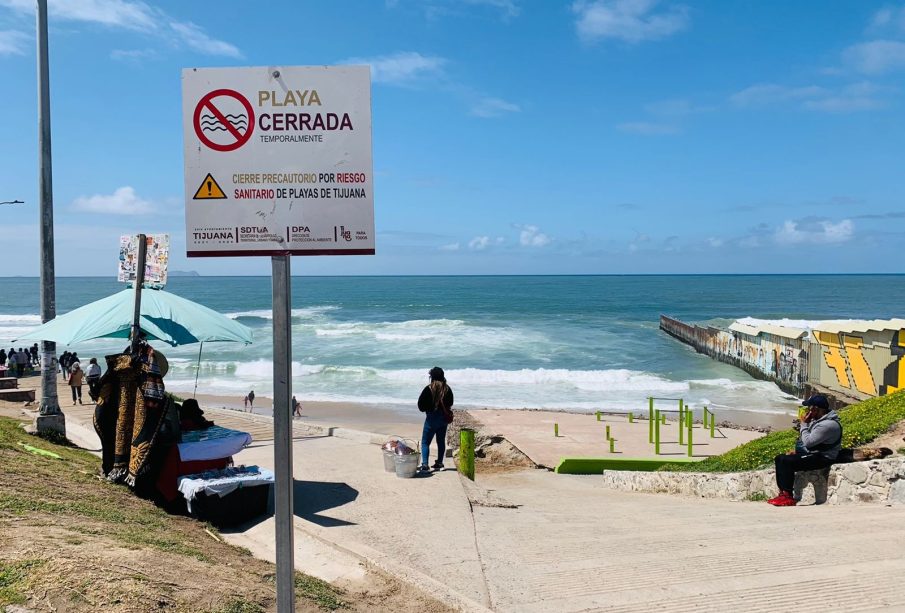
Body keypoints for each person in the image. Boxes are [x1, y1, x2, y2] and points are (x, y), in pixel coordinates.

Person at [768, 394, 842, 507]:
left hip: (824, 458)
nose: (807, 410)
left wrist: (804, 424)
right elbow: (809, 441)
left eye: (809, 408)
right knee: (780, 458)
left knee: (787, 462)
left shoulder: (827, 425)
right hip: (814, 453)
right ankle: (783, 493)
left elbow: (808, 442)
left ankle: (788, 496)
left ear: (815, 409)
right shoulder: (818, 420)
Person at [417, 366, 454, 472]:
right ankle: (439, 463)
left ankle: (425, 464)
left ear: (432, 377)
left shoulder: (428, 389)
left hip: (431, 419)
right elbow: (451, 403)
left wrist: (429, 408)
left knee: (425, 442)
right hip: (443, 420)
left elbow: (420, 406)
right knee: (441, 441)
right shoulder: (447, 389)